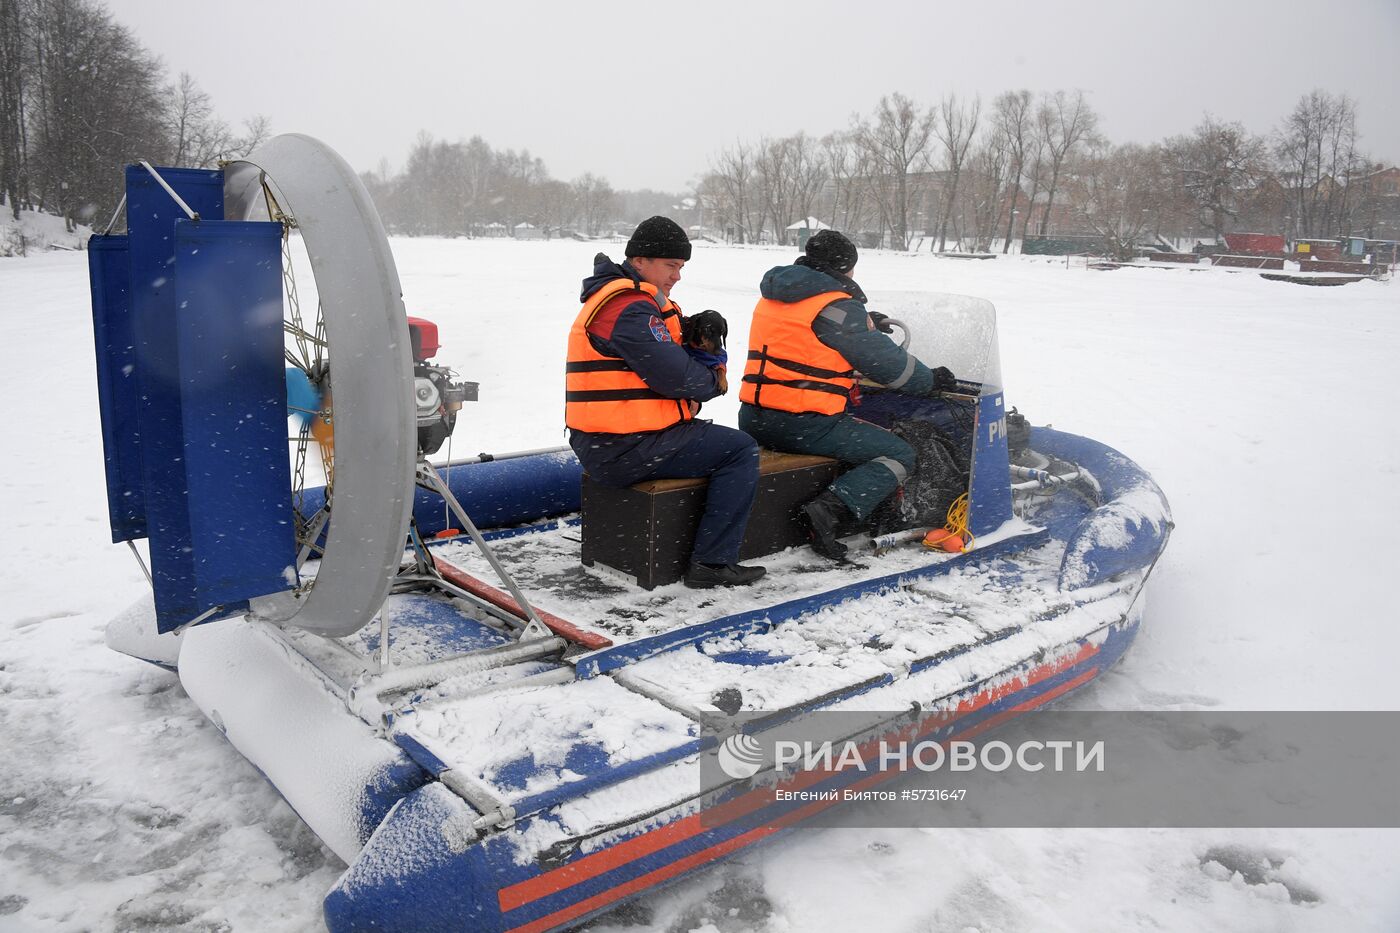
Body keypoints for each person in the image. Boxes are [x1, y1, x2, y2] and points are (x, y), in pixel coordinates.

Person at [566, 216, 765, 588]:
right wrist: (712, 374)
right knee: (740, 450)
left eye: (681, 267)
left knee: (722, 444)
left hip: (617, 440)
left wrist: (691, 337)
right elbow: (679, 379)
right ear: (640, 261)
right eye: (671, 265)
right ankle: (712, 562)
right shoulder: (630, 308)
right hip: (625, 447)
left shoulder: (631, 301)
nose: (677, 276)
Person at [738, 230, 958, 560]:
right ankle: (826, 511)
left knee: (859, 436)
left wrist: (867, 322)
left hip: (755, 417)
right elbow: (892, 369)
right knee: (899, 452)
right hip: (804, 424)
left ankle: (864, 509)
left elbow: (811, 337)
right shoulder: (835, 308)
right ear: (847, 268)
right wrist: (931, 379)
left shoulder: (778, 296)